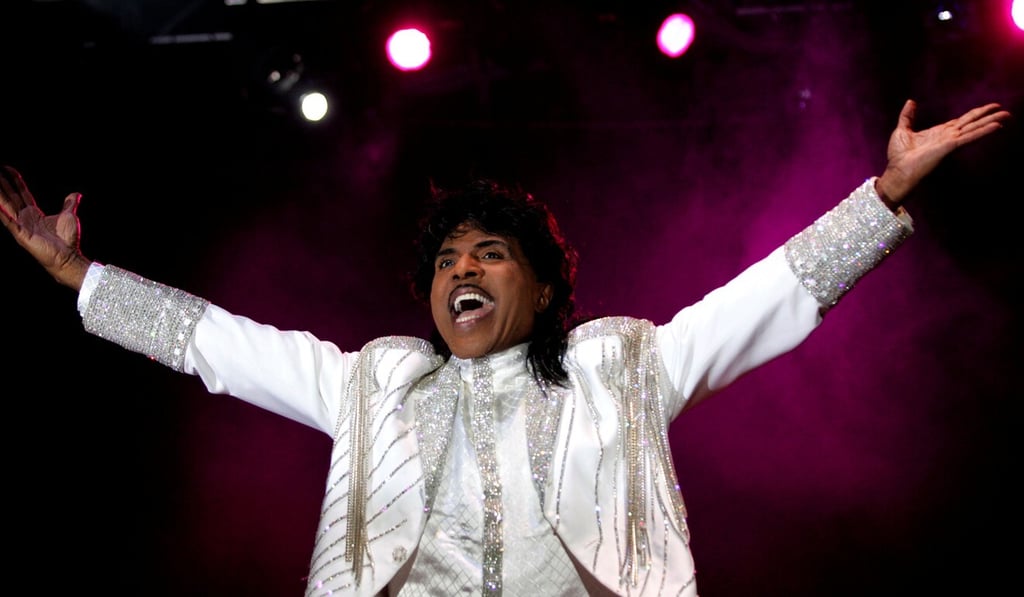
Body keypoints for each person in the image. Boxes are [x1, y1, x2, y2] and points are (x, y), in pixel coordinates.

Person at [0, 98, 1010, 597]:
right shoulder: (374, 380)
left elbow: (762, 299)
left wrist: (878, 200)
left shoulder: (620, 367)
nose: (461, 269)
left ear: (540, 287)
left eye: (489, 253)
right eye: (446, 260)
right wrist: (81, 279)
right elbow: (220, 345)